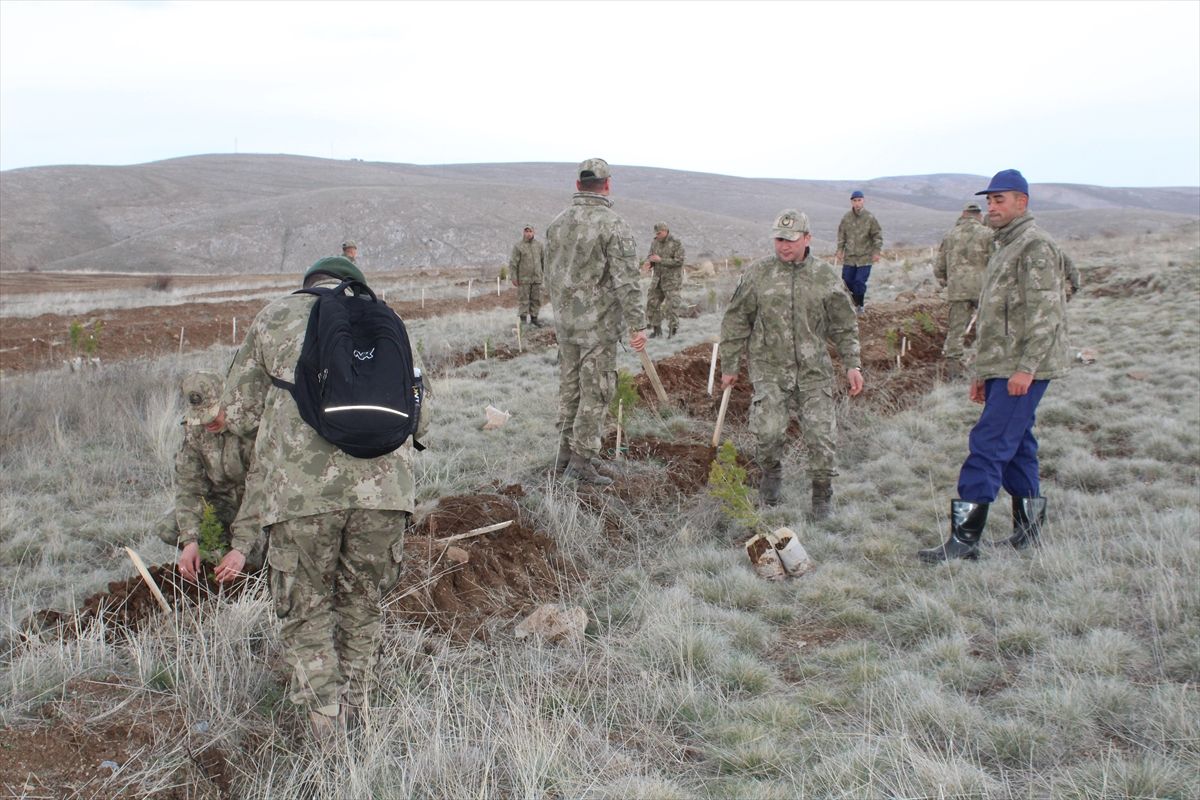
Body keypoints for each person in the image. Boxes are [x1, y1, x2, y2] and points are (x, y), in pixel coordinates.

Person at [215, 255, 432, 739]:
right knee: (362, 603)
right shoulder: (387, 319)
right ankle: (360, 712)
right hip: (385, 493)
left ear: (308, 284)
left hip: (300, 495)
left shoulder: (274, 315)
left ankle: (325, 724)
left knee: (306, 607)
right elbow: (420, 415)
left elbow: (236, 411)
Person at [919, 169, 1070, 563]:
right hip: (1002, 365)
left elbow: (1045, 313)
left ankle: (964, 542)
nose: (992, 206)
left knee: (987, 445)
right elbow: (993, 318)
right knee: (1017, 444)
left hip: (1023, 366)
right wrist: (983, 373)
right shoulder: (1004, 245)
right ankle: (1028, 531)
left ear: (1022, 202)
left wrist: (1026, 369)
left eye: (1000, 199)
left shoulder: (1034, 246)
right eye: (989, 200)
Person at [719, 209, 864, 518]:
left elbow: (844, 325)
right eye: (778, 239)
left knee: (821, 437)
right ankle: (771, 477)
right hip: (770, 370)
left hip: (814, 373)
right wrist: (729, 365)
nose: (783, 246)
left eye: (790, 240)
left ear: (807, 238)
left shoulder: (825, 276)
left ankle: (821, 495)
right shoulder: (758, 274)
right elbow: (735, 321)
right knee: (768, 433)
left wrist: (853, 364)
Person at [543, 158, 648, 486]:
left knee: (570, 390)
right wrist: (637, 324)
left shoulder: (556, 224)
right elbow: (627, 280)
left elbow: (550, 274)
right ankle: (582, 462)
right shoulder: (613, 225)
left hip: (566, 326)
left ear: (578, 185)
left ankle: (564, 456)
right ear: (607, 184)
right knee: (596, 392)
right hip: (597, 327)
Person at [155, 371, 262, 581]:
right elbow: (189, 488)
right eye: (201, 417)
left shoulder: (254, 429)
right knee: (168, 528)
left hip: (259, 507)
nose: (208, 423)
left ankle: (248, 569)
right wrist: (190, 541)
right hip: (222, 503)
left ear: (228, 401)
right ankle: (216, 562)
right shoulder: (194, 432)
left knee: (255, 557)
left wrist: (241, 547)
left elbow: (260, 491)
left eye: (213, 414)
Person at [933, 202, 993, 375]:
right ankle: (987, 366)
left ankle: (953, 369)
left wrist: (945, 282)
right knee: (988, 327)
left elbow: (939, 267)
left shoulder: (950, 235)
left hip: (957, 290)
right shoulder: (988, 234)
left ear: (963, 214)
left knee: (956, 330)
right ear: (979, 216)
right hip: (983, 289)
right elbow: (997, 261)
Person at [835, 190, 883, 314]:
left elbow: (877, 235)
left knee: (859, 282)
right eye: (854, 200)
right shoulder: (846, 218)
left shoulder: (869, 218)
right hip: (850, 257)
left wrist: (876, 251)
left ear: (863, 200)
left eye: (859, 200)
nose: (857, 203)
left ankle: (859, 305)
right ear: (851, 202)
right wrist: (840, 250)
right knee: (846, 282)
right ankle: (852, 304)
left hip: (865, 258)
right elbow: (841, 235)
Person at [641, 222, 686, 338]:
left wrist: (661, 260)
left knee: (672, 307)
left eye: (659, 233)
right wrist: (649, 263)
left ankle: (673, 332)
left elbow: (679, 261)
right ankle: (656, 330)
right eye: (656, 233)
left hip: (672, 282)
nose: (657, 235)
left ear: (665, 231)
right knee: (652, 303)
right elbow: (651, 257)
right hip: (657, 281)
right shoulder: (655, 242)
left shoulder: (676, 243)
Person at [508, 224, 546, 327]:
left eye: (530, 231)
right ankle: (523, 321)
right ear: (523, 232)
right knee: (523, 300)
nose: (528, 233)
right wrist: (514, 277)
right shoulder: (518, 246)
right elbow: (513, 263)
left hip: (537, 278)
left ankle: (534, 319)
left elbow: (543, 261)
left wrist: (544, 275)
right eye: (526, 231)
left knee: (536, 299)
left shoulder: (539, 245)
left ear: (534, 232)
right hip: (523, 279)